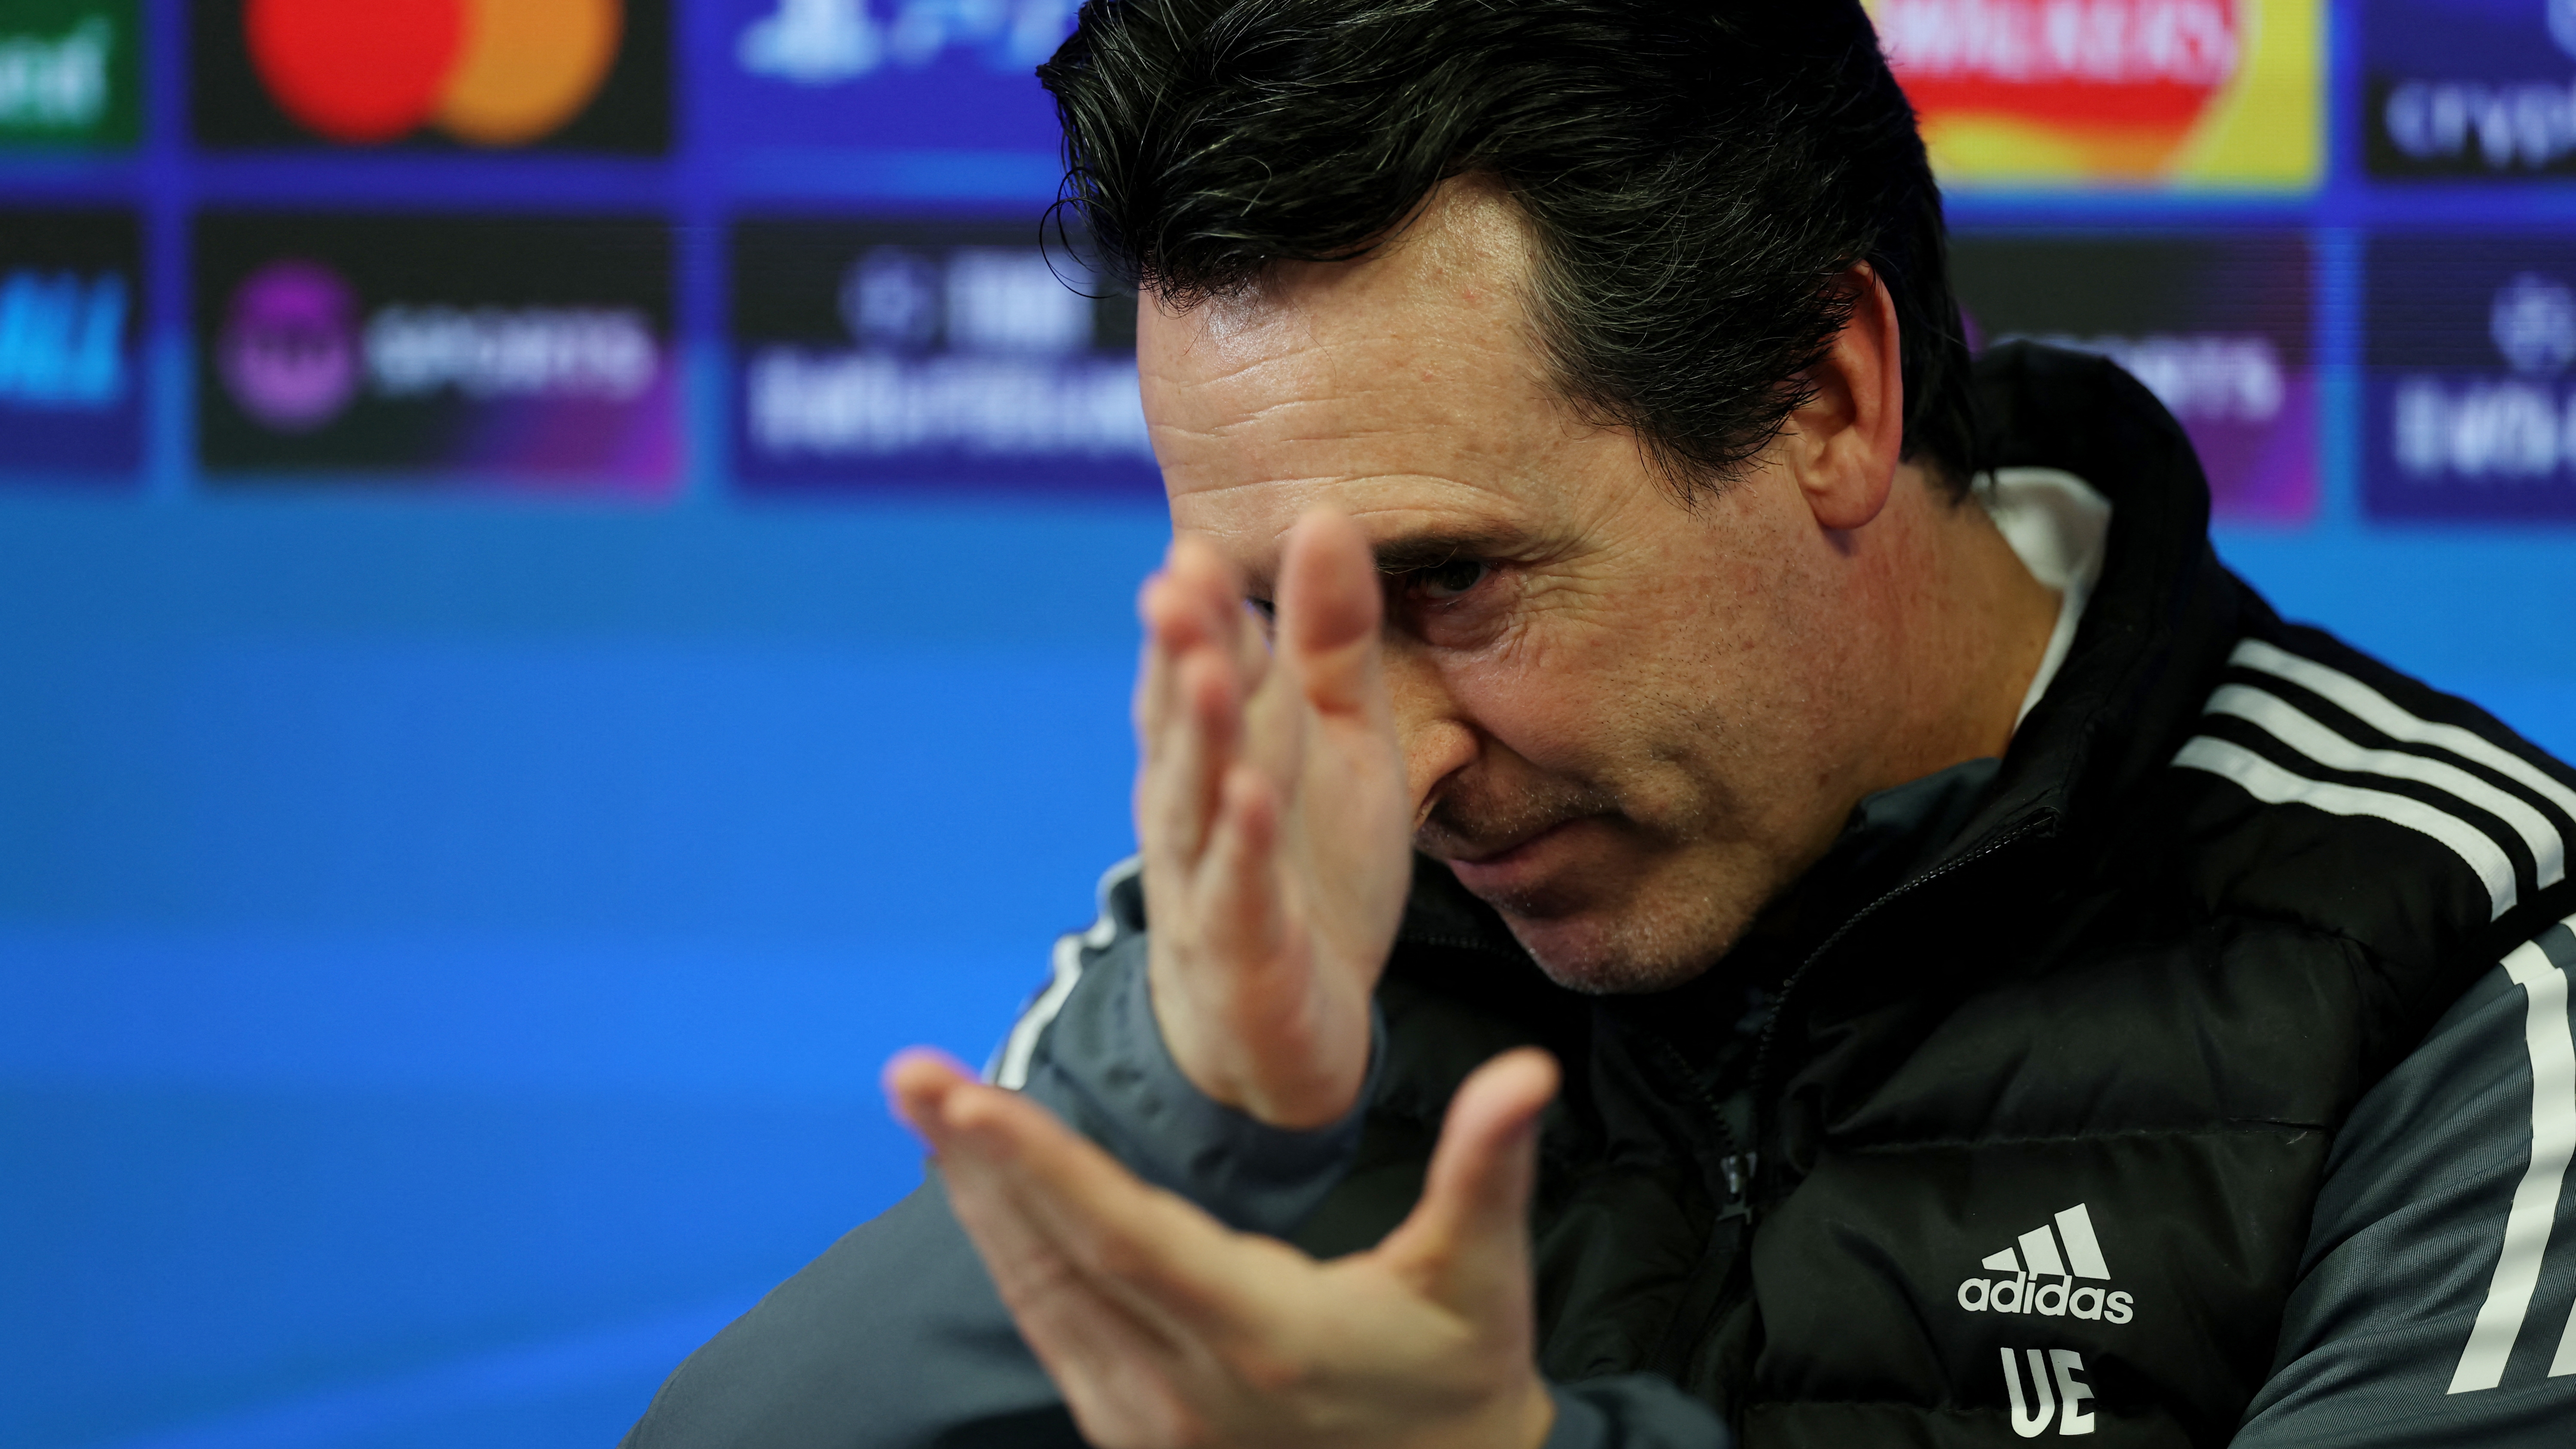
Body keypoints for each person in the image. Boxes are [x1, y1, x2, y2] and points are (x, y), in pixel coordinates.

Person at [626, 2, 2576, 1444]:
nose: (1386, 768)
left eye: (1457, 583)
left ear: (1829, 402)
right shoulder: (1284, 942)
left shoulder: (2472, 970)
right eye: (1283, 617)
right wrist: (1188, 1102)